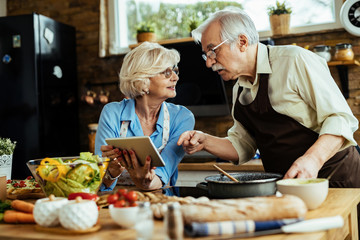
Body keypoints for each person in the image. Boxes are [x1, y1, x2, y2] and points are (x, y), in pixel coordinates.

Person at [178, 7, 360, 188]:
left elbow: (341, 118)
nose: (209, 63)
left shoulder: (294, 61)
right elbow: (242, 145)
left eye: (213, 51)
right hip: (288, 186)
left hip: (337, 179)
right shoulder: (239, 88)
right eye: (206, 55)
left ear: (242, 41)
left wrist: (312, 160)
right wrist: (205, 141)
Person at [95, 42, 195, 191]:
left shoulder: (182, 117)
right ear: (143, 80)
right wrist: (111, 172)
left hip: (160, 199)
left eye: (175, 71)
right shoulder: (112, 113)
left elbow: (163, 174)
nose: (175, 78)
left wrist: (145, 181)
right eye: (167, 72)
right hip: (116, 201)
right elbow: (98, 181)